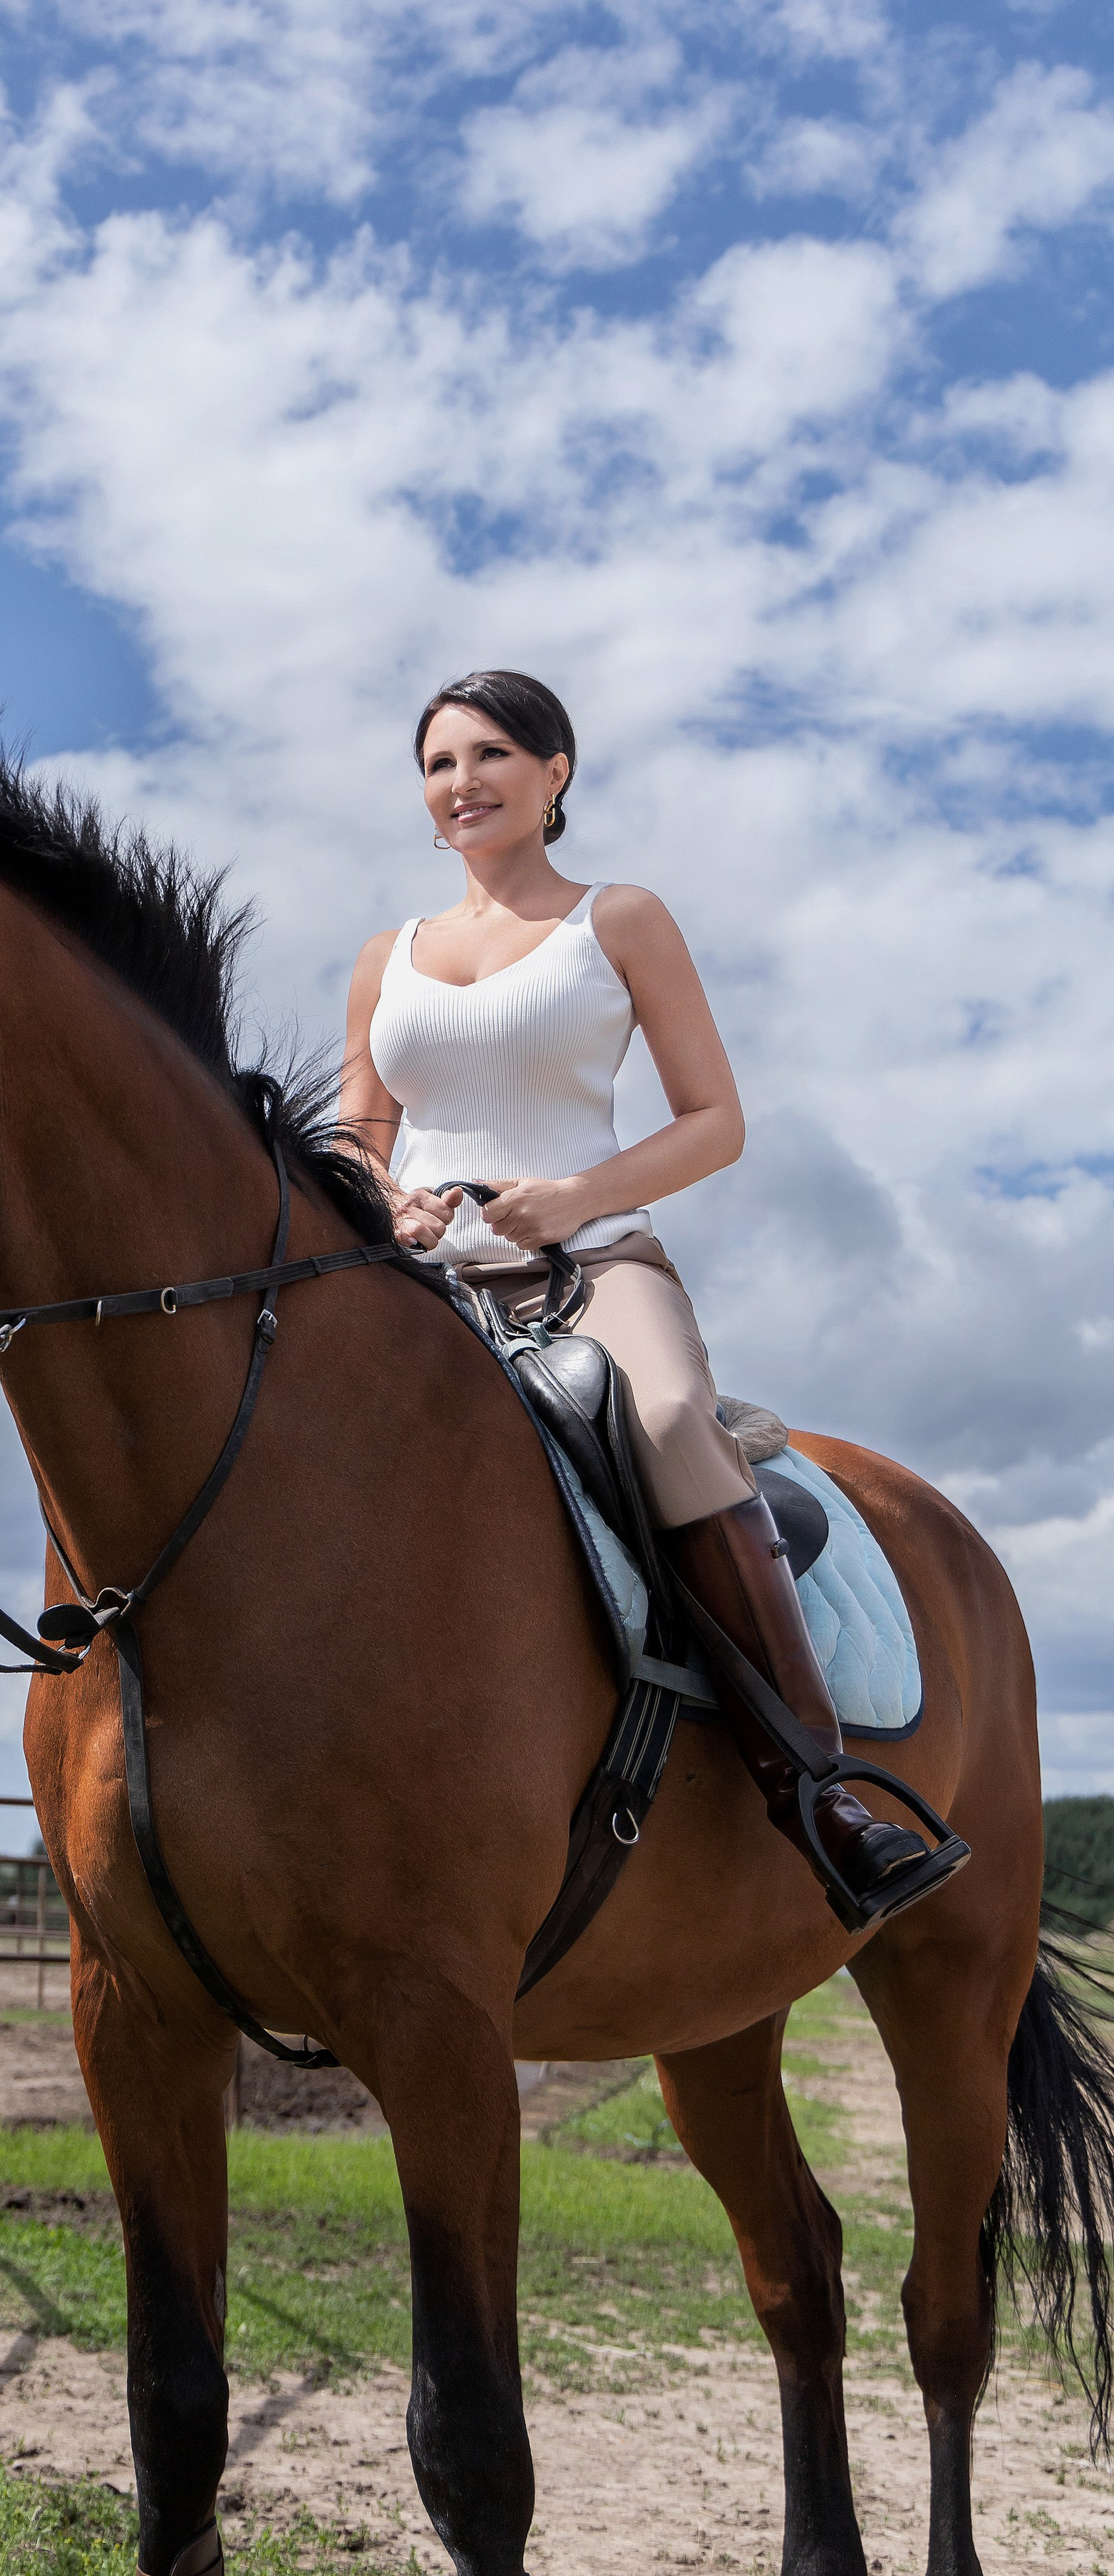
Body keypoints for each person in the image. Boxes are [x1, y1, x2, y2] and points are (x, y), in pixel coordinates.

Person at [339, 669, 954, 1925]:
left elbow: (716, 1121)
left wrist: (572, 1199)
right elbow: (361, 1128)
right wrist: (379, 1195)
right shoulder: (381, 958)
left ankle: (820, 1791)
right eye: (439, 763)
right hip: (408, 1275)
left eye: (493, 754)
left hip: (590, 1267)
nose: (463, 783)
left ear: (557, 773)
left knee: (675, 1422)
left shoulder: (618, 919)